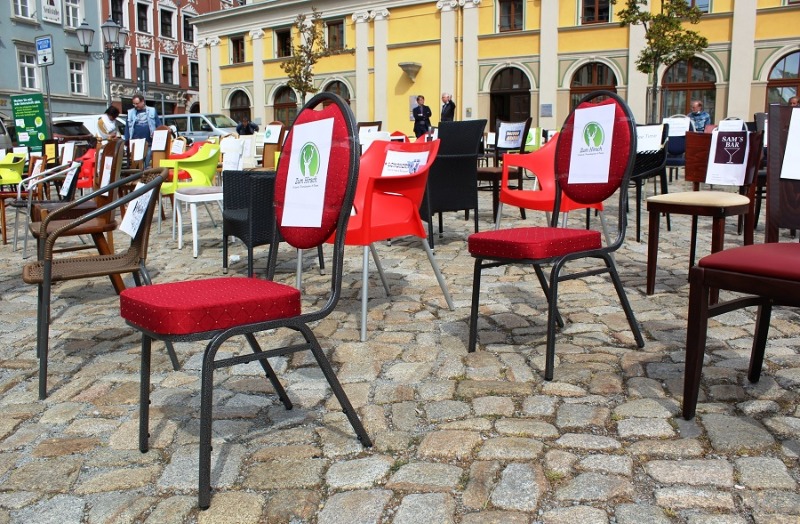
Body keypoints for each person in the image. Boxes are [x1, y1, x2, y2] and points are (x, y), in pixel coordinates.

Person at [124, 93, 161, 166]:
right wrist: (127, 139)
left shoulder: (152, 110)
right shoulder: (130, 113)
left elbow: (158, 124)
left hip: (149, 141)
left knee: (146, 162)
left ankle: (144, 175)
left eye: (137, 103)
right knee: (136, 164)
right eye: (134, 104)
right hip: (135, 142)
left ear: (142, 101)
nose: (135, 105)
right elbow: (127, 127)